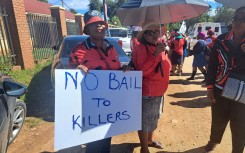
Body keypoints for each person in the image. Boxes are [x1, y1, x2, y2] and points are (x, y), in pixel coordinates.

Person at [68, 10, 129, 153]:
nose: (99, 27)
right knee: (94, 143)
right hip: (92, 107)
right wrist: (76, 71)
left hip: (110, 105)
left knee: (107, 138)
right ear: (87, 29)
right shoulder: (79, 50)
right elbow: (69, 79)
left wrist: (122, 69)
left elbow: (114, 66)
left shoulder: (111, 47)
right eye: (94, 24)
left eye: (101, 23)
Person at [205, 7, 245, 153]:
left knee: (240, 125)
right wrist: (209, 87)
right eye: (236, 18)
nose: (238, 21)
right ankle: (213, 141)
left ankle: (237, 150)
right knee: (217, 120)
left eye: (242, 19)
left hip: (242, 93)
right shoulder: (221, 40)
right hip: (219, 89)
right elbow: (212, 65)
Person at [132, 20, 171, 153]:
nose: (154, 35)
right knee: (144, 122)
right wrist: (155, 55)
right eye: (150, 33)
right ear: (144, 35)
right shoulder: (141, 48)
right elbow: (141, 70)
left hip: (159, 92)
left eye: (156, 32)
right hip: (148, 93)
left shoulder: (159, 45)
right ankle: (144, 148)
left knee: (154, 119)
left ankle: (149, 140)